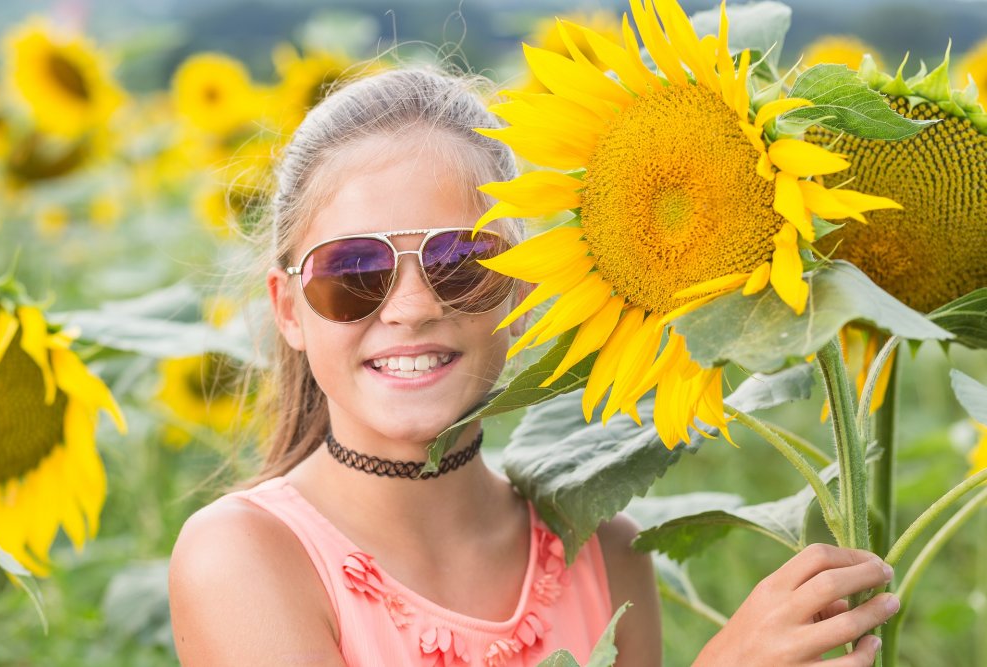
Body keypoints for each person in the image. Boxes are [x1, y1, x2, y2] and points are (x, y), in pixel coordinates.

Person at [168, 67, 900, 667]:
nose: (412, 307)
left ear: (522, 289)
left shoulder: (605, 548)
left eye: (461, 262)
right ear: (289, 308)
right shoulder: (245, 556)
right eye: (353, 271)